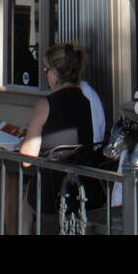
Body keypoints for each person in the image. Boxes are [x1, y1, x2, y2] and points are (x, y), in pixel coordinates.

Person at [19, 42, 96, 231]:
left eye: (46, 70)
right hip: (79, 189)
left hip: (51, 191)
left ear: (54, 74)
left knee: (27, 199)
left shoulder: (45, 104)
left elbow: (27, 158)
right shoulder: (86, 102)